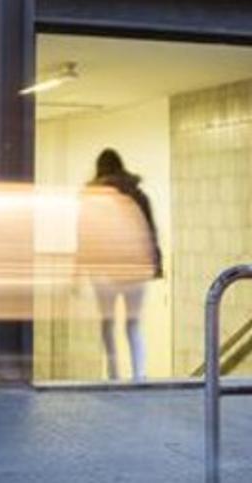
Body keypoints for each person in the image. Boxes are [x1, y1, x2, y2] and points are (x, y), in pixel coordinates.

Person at [88, 148, 162, 382]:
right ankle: (139, 375)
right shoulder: (138, 195)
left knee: (107, 322)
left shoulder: (95, 196)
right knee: (133, 323)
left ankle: (113, 375)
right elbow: (151, 231)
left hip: (104, 270)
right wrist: (156, 264)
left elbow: (87, 234)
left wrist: (78, 267)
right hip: (135, 269)